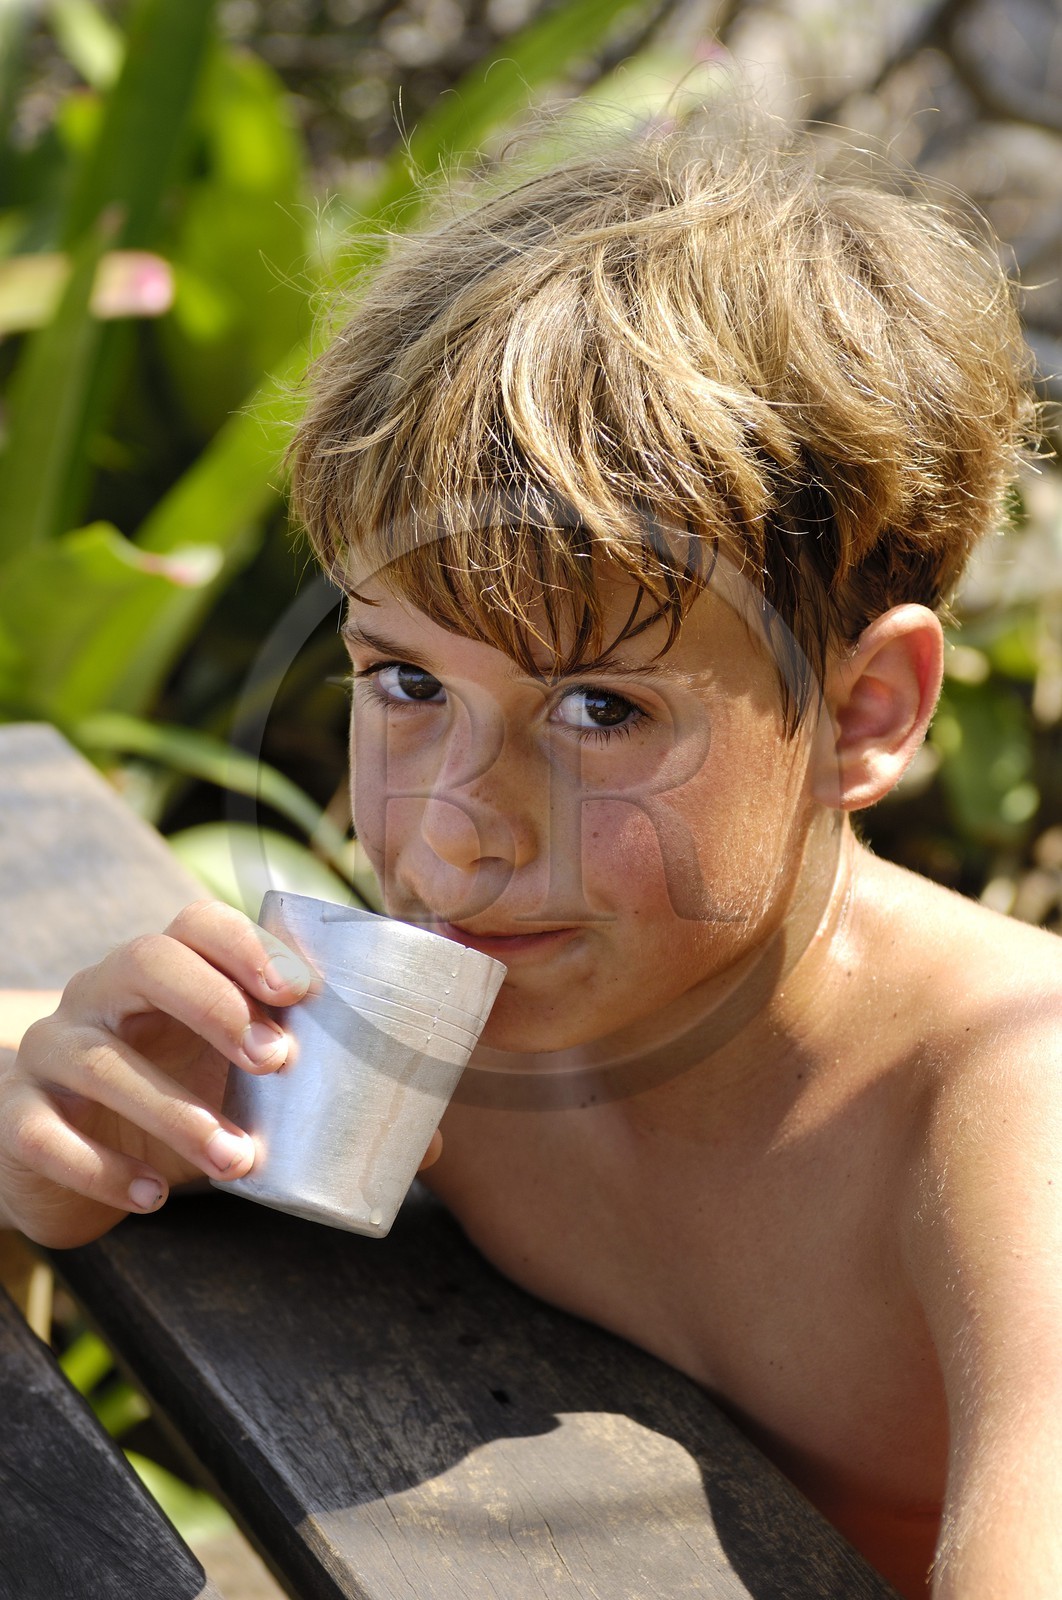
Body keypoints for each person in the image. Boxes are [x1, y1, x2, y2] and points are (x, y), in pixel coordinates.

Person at [1, 113, 1058, 1600]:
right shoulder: (433, 1028)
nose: (448, 828)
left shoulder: (1002, 1107)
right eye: (406, 684)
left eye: (597, 709)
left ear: (860, 713)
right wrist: (46, 1153)